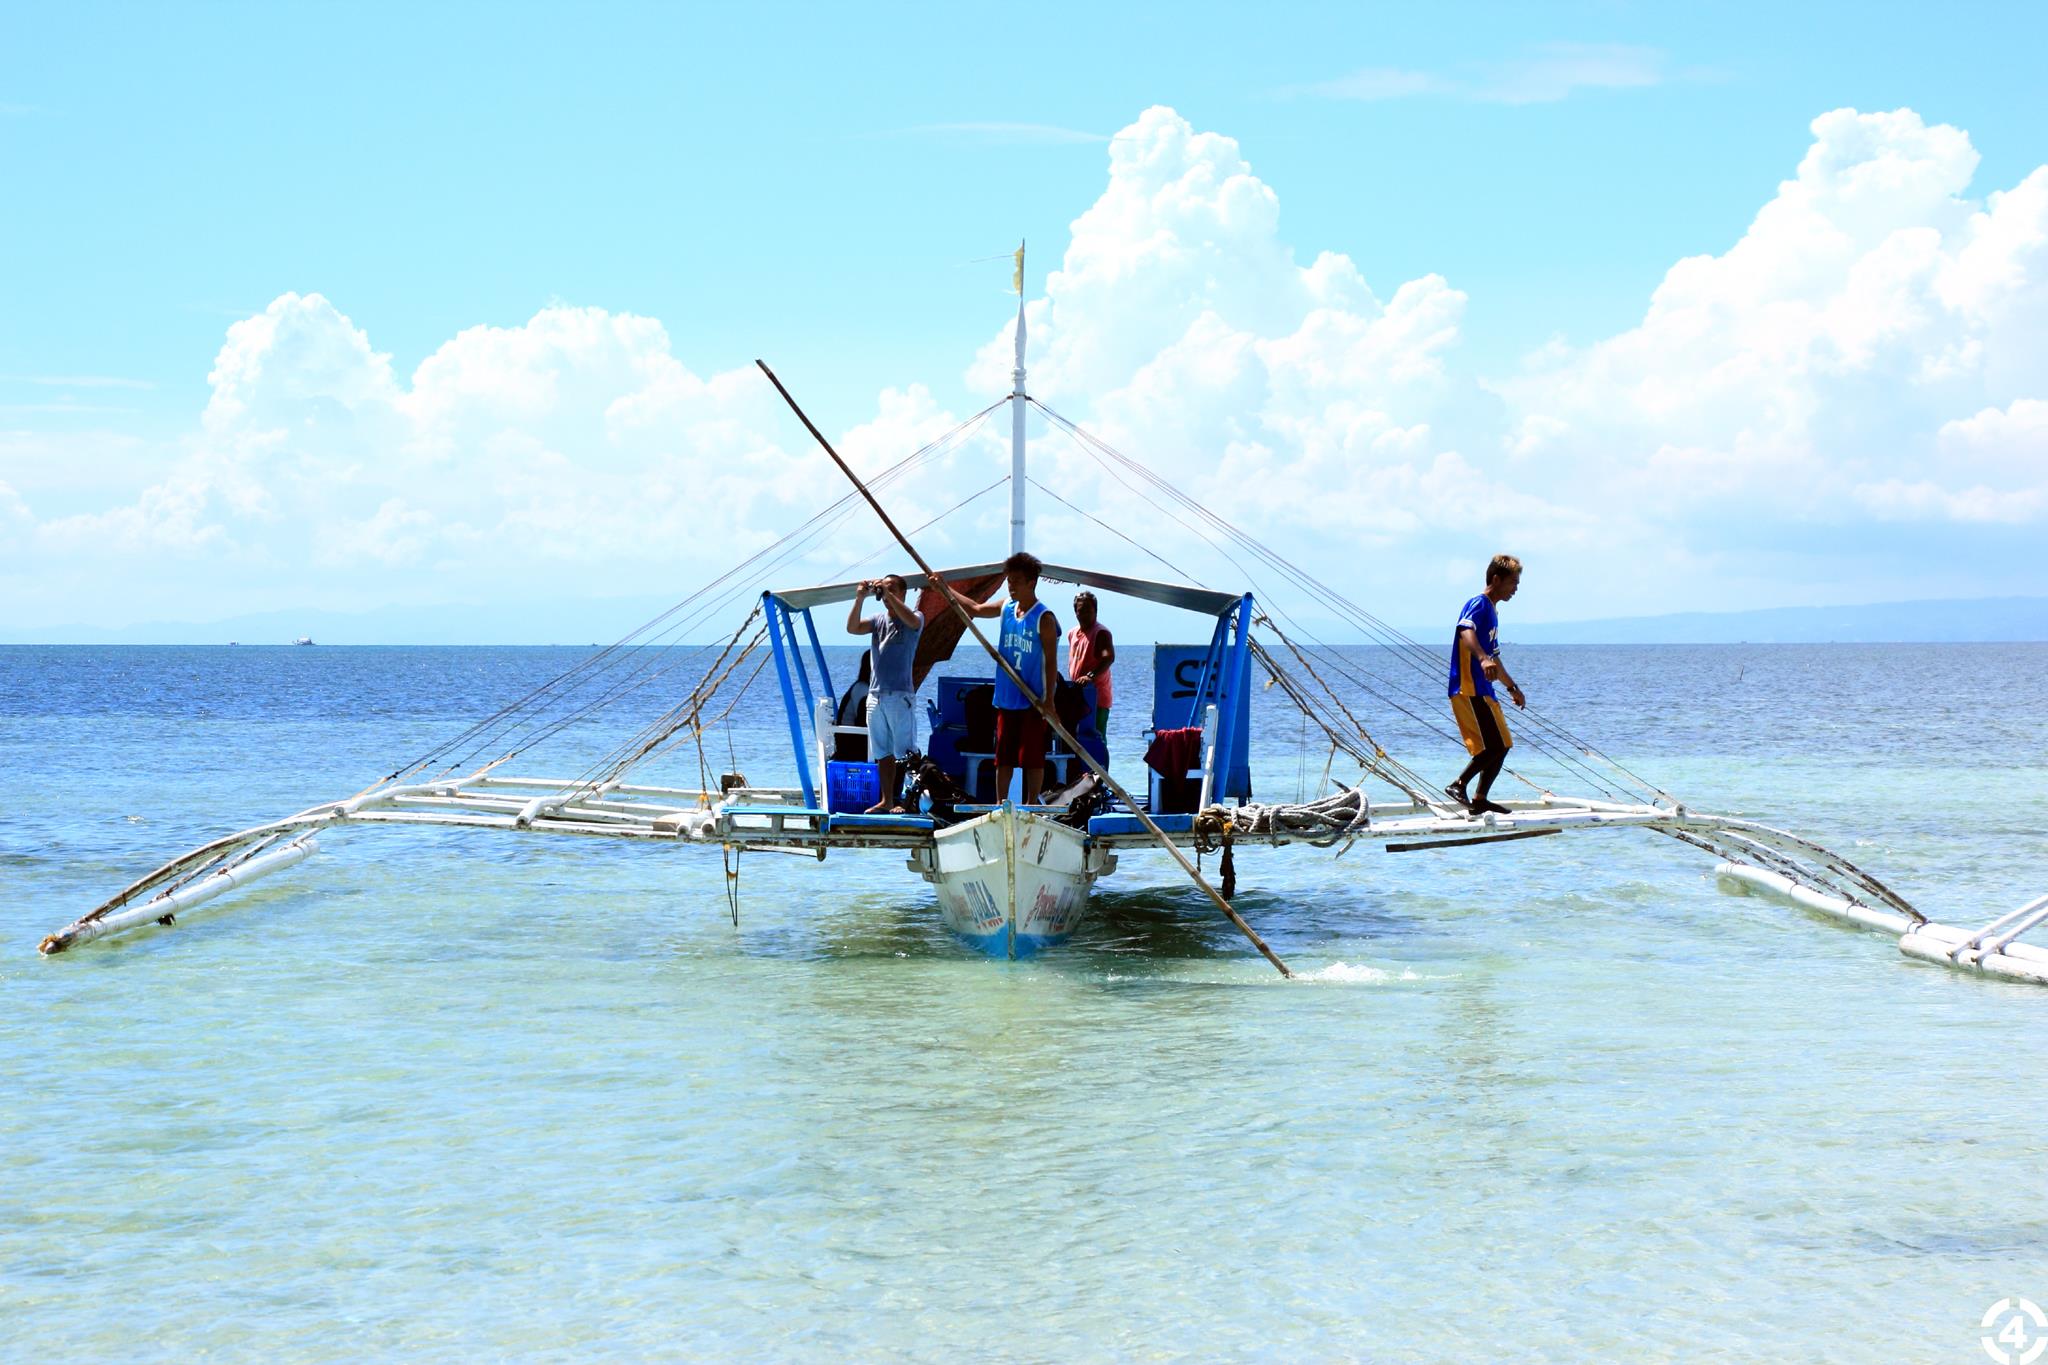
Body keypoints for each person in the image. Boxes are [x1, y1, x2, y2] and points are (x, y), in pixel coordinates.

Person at [949, 551, 1059, 804]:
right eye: (1009, 581)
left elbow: (1052, 662)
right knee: (1004, 754)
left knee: (1032, 755)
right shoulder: (1006, 607)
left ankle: (1032, 804)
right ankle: (1001, 803)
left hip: (1034, 699)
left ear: (1031, 582)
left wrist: (1049, 701)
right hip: (1007, 696)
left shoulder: (1044, 618)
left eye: (1016, 582)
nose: (1011, 587)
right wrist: (945, 589)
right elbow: (975, 609)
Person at [1445, 554, 1526, 817]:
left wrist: (1512, 688)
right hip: (1468, 686)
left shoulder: (1493, 611)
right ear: (1496, 579)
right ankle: (1458, 785)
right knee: (1493, 745)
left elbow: (1496, 659)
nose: (1516, 588)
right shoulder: (1478, 604)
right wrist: (1480, 659)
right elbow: (1464, 631)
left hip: (1484, 689)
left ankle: (1480, 798)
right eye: (1513, 582)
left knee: (1503, 744)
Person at [845, 573, 922, 813]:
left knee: (907, 753)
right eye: (883, 590)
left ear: (903, 593)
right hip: (876, 694)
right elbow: (852, 628)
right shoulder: (878, 620)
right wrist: (859, 599)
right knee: (883, 753)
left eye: (892, 590)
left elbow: (912, 622)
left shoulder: (915, 617)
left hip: (900, 695)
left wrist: (888, 594)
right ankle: (887, 800)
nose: (886, 595)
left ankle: (909, 801)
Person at [1068, 590, 1115, 753]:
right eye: (1081, 610)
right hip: (1077, 695)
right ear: (1075, 612)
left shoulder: (1101, 633)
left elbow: (1107, 657)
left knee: (1097, 738)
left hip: (1097, 697)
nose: (1084, 613)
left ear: (1095, 611)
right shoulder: (1072, 633)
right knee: (1077, 737)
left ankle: (1101, 774)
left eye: (1088, 609)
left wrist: (1090, 676)